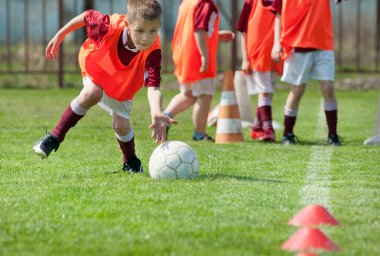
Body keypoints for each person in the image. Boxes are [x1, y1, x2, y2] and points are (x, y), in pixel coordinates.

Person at [33, 0, 176, 173]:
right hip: (98, 69)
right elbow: (85, 17)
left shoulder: (154, 50)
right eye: (140, 31)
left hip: (123, 85)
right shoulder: (109, 26)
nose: (146, 38)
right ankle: (54, 137)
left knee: (121, 125)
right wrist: (60, 35)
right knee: (92, 92)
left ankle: (130, 160)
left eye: (153, 31)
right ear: (127, 25)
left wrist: (156, 111)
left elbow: (153, 87)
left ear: (159, 26)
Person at [271, 0, 343, 146]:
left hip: (323, 42)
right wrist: (276, 43)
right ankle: (287, 133)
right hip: (298, 44)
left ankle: (333, 135)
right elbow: (278, 14)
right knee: (297, 90)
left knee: (328, 87)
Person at [163, 0, 235, 142]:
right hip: (197, 57)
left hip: (183, 54)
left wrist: (217, 35)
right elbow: (199, 30)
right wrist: (204, 55)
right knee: (204, 95)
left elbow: (192, 28)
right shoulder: (205, 4)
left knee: (188, 94)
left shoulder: (187, 3)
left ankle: (164, 118)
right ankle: (199, 135)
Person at [236, 0, 283, 142]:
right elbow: (243, 32)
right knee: (265, 91)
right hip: (258, 53)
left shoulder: (279, 2)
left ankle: (256, 127)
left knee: (268, 92)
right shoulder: (250, 3)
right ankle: (269, 129)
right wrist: (245, 58)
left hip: (274, 54)